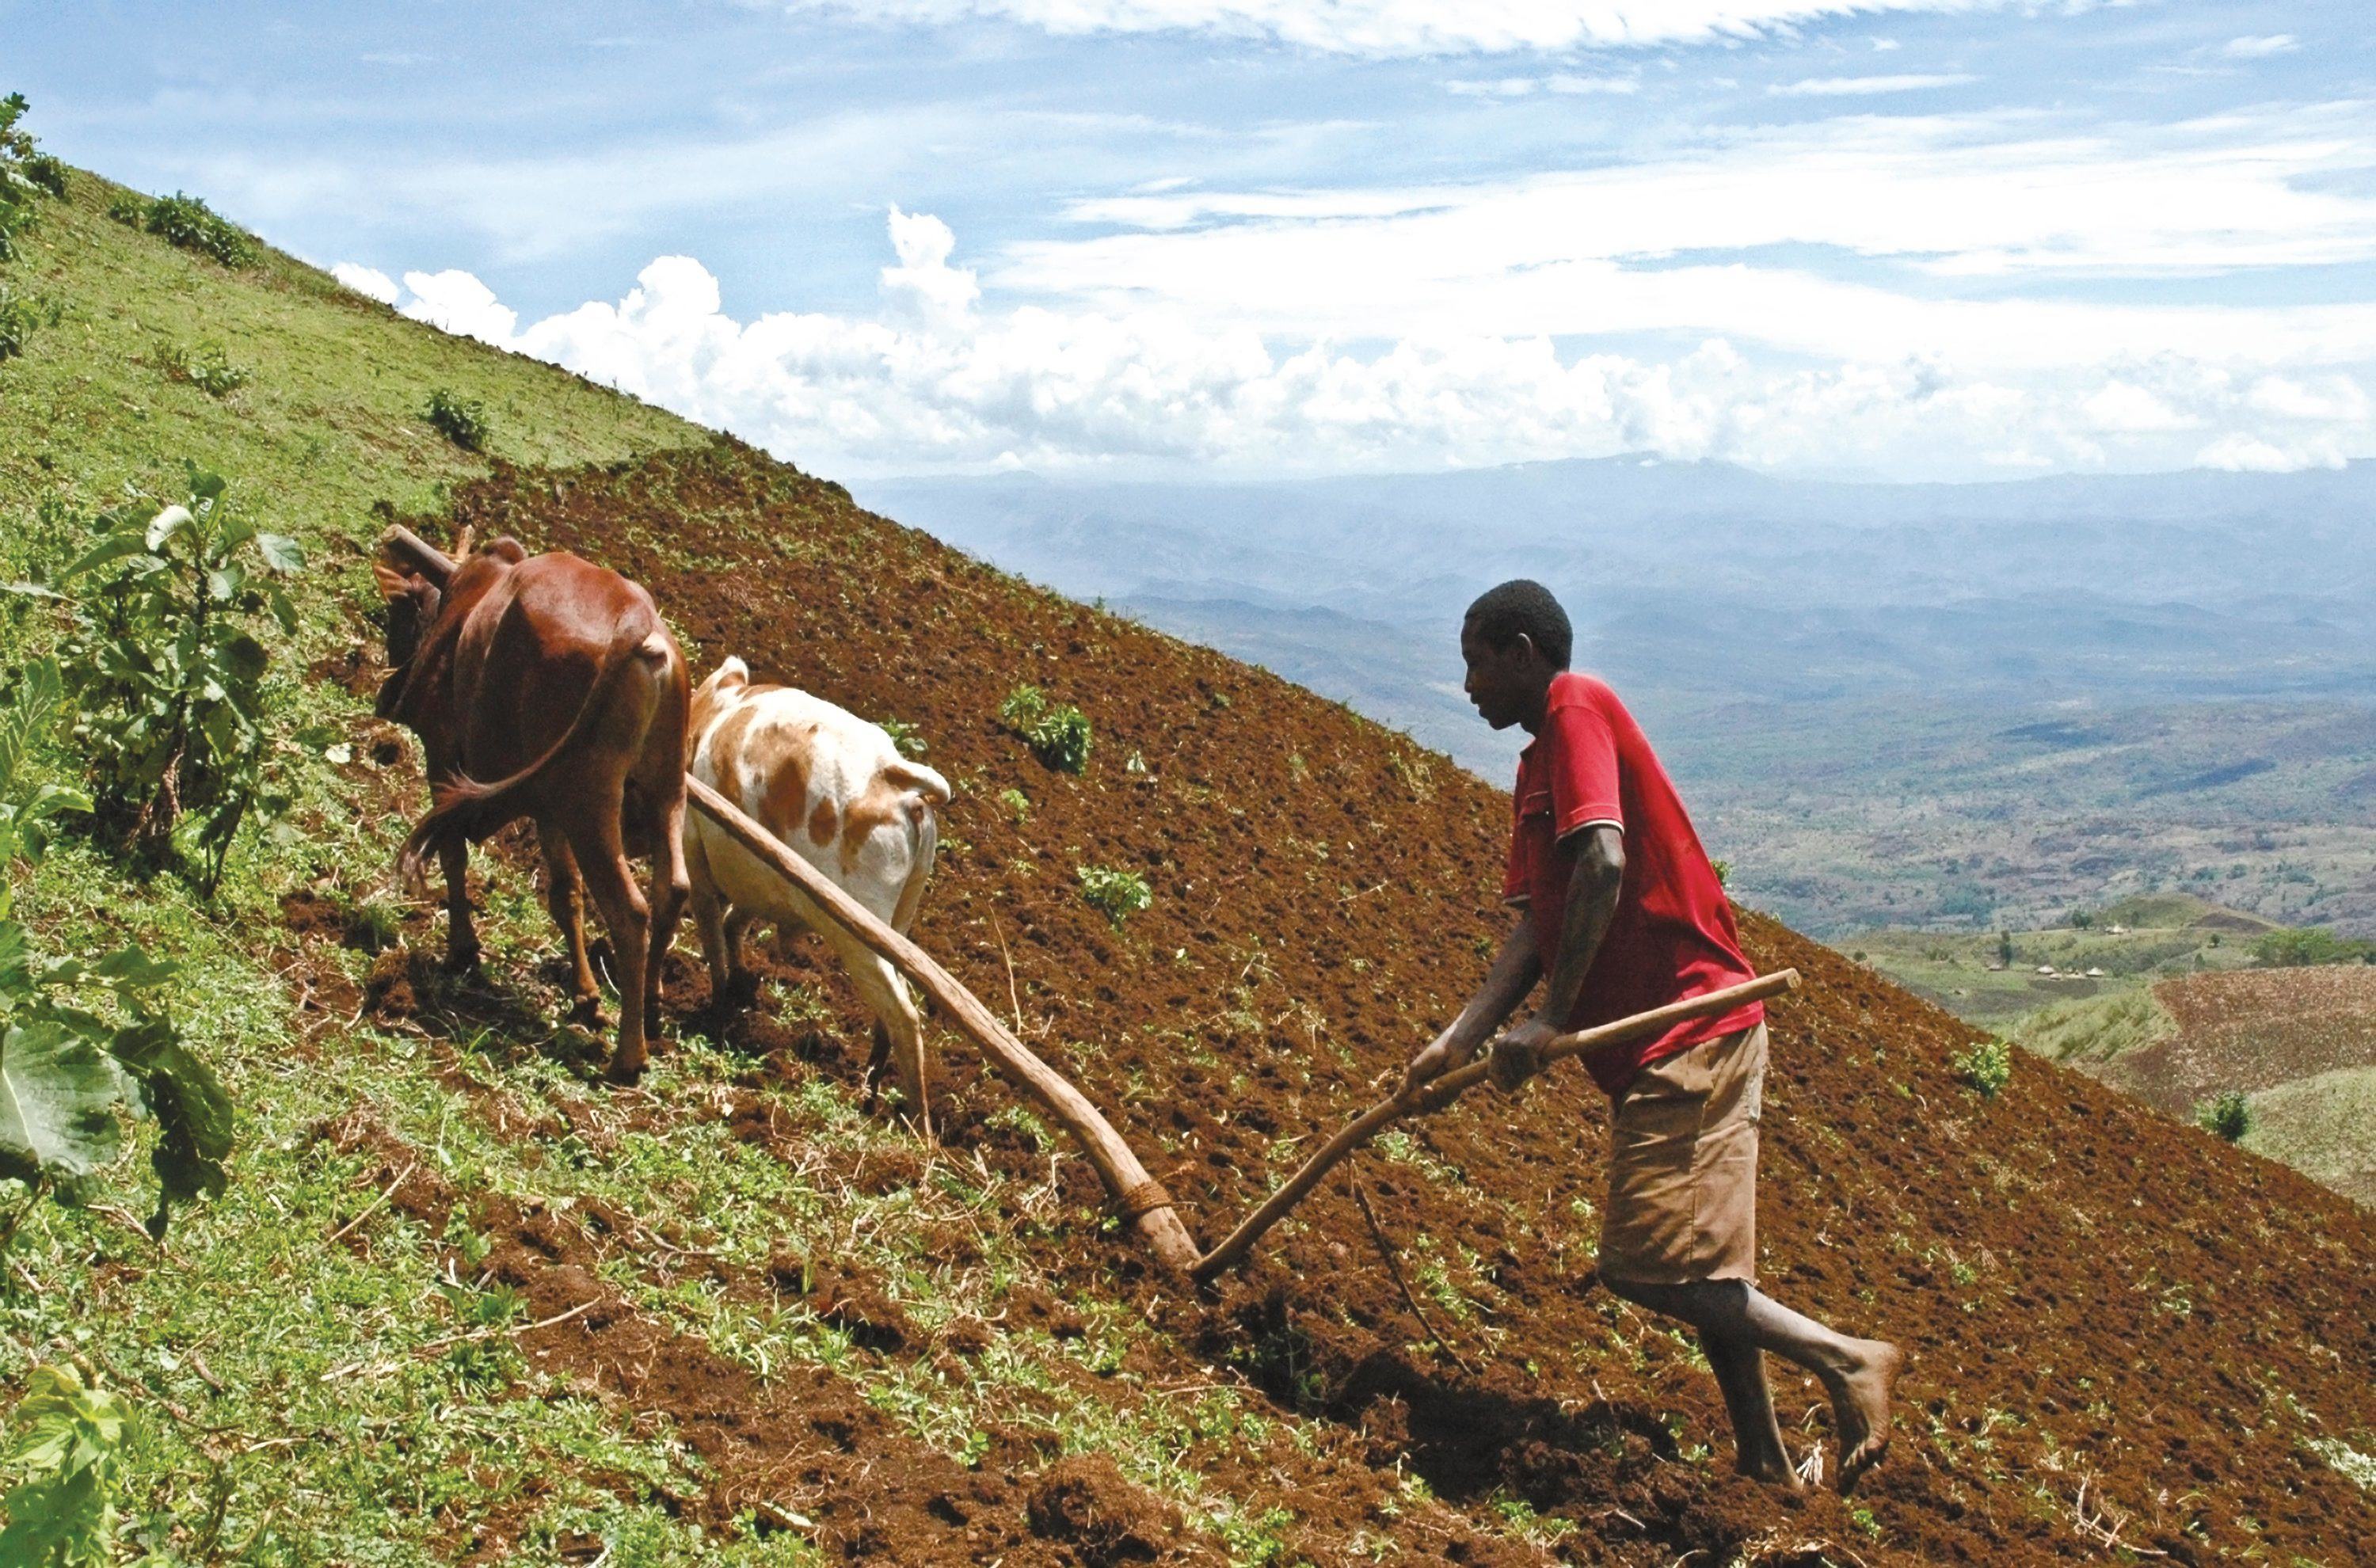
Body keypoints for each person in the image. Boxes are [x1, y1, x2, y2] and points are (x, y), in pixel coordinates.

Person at [1401, 579, 1902, 1494]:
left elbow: (1604, 857)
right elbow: (1538, 928)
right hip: (1658, 1046)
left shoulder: (1576, 708)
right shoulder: (1533, 767)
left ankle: (1844, 1359)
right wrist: (1462, 1038)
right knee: (1707, 1263)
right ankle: (1763, 1459)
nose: (1467, 685)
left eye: (1474, 662)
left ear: (1521, 652)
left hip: (1691, 1026)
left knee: (1643, 1267)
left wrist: (1554, 1020)